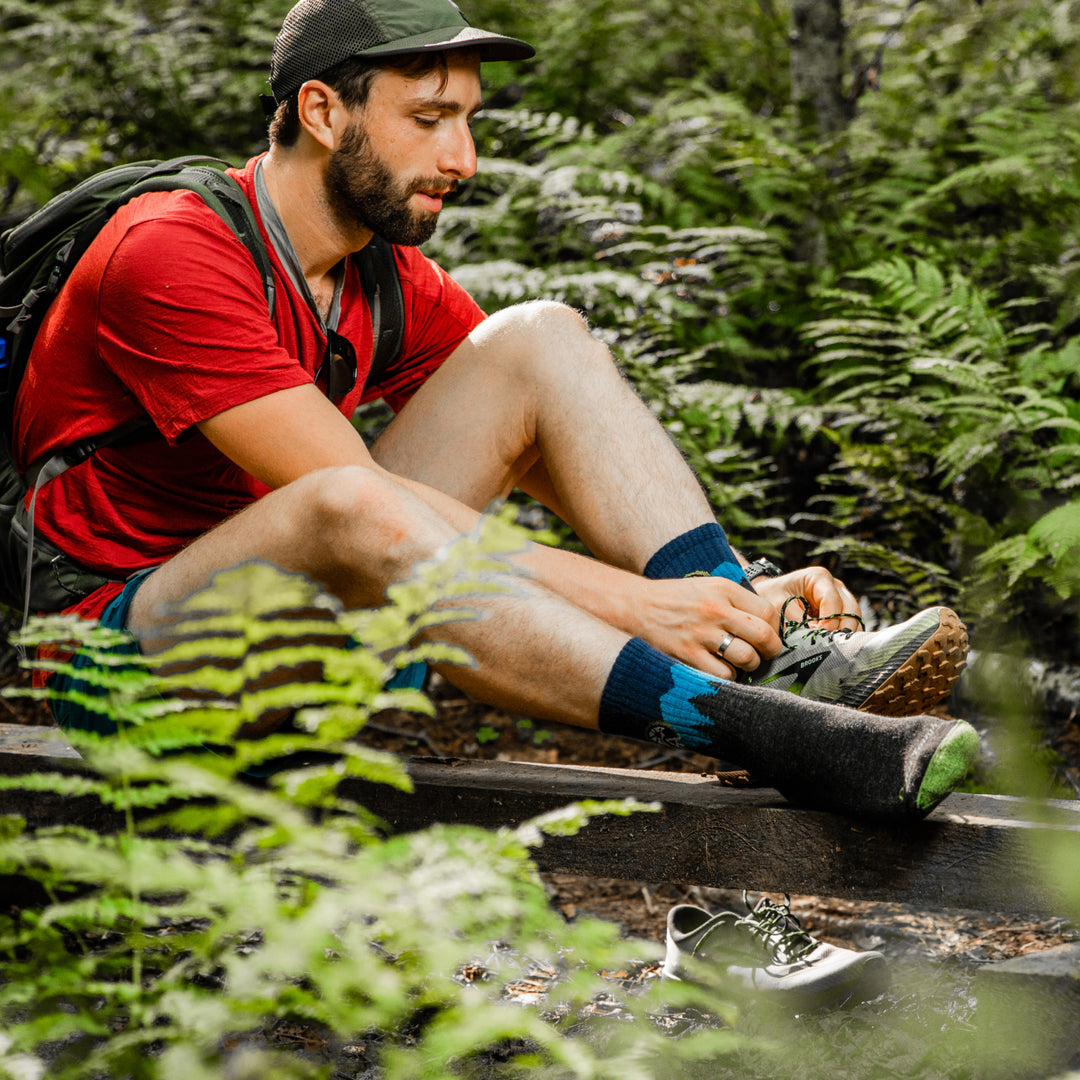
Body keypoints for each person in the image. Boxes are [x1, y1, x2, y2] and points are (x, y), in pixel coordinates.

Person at [12, 0, 977, 822]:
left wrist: (732, 596)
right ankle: (748, 723)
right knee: (349, 498)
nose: (463, 158)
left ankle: (770, 658)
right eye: (430, 118)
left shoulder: (380, 278)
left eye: (469, 120)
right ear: (319, 110)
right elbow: (341, 498)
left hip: (292, 626)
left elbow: (543, 436)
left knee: (539, 338)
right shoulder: (169, 251)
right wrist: (638, 606)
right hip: (123, 662)